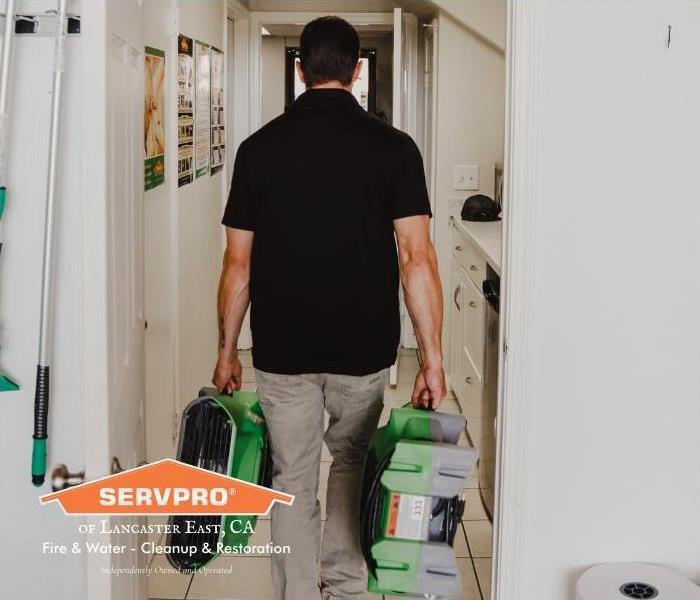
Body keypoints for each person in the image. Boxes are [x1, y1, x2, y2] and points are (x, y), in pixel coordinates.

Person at [213, 16, 445, 600]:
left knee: (291, 480)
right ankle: (344, 590)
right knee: (350, 468)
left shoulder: (258, 150)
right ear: (357, 70)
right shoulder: (395, 149)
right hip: (362, 349)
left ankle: (296, 594)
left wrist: (225, 351)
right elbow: (417, 259)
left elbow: (237, 265)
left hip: (283, 350)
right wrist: (434, 358)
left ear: (300, 71)